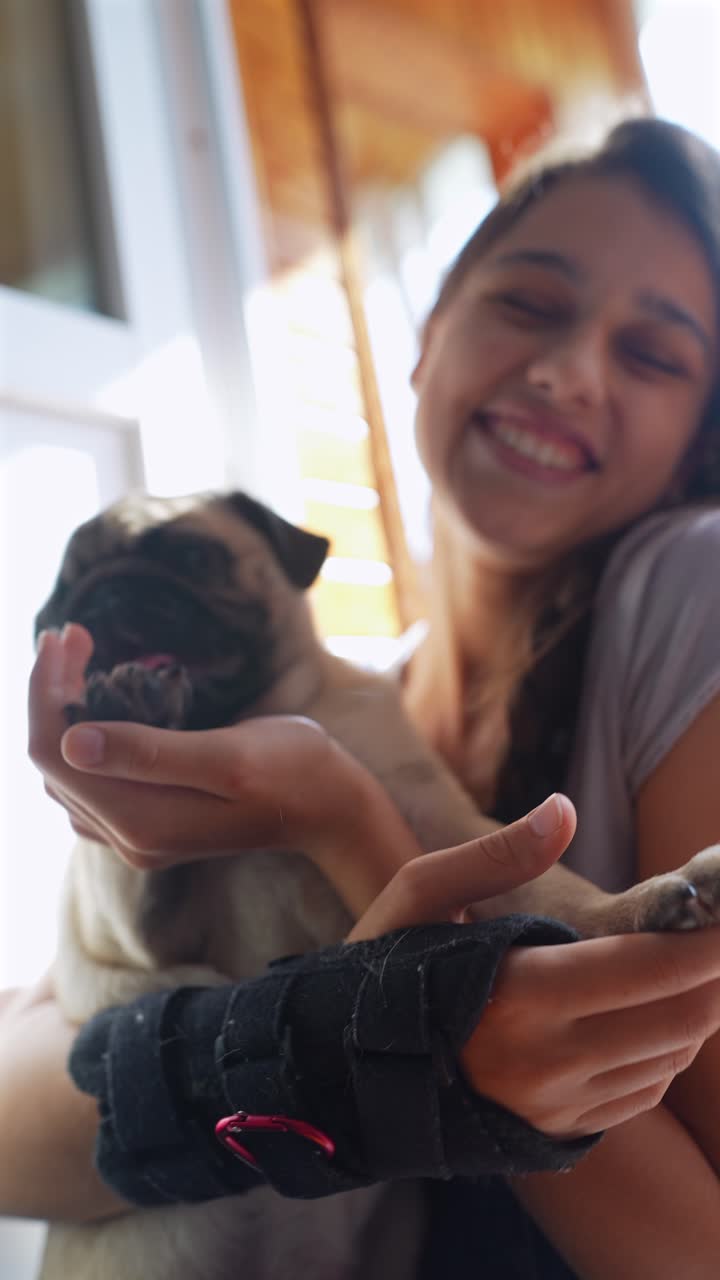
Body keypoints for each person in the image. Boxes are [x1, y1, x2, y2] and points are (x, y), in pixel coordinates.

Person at [4, 115, 720, 1276]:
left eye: (654, 355)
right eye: (530, 304)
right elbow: (14, 1109)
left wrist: (340, 823)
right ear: (426, 338)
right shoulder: (346, 693)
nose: (567, 369)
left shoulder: (691, 585)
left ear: (700, 437)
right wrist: (294, 1049)